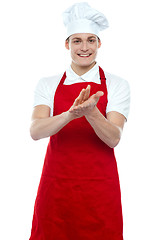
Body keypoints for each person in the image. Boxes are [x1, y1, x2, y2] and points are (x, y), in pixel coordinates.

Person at [29, 2, 130, 240]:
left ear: (99, 43)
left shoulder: (117, 84)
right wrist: (70, 114)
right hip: (56, 187)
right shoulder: (48, 83)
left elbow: (114, 137)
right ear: (67, 44)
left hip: (100, 188)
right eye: (77, 41)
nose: (84, 48)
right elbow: (36, 130)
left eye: (90, 40)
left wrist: (92, 112)